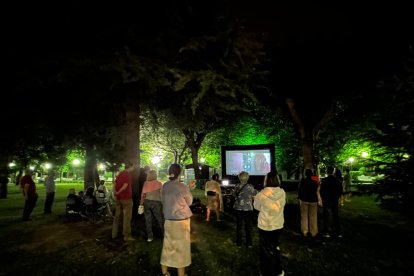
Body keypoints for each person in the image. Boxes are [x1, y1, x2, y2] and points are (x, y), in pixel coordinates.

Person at [160, 164, 195, 276]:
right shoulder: (182, 187)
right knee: (181, 249)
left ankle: (165, 272)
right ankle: (181, 274)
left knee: (167, 246)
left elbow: (165, 199)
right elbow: (189, 202)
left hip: (169, 220)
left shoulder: (165, 186)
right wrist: (188, 189)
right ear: (180, 173)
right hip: (181, 222)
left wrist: (187, 188)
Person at [254, 171, 286, 276]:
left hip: (265, 225)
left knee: (265, 251)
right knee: (276, 247)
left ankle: (266, 272)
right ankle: (279, 270)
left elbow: (256, 207)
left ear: (266, 180)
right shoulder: (282, 193)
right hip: (278, 224)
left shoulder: (261, 194)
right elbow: (282, 205)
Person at [232, 171, 258, 248]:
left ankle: (239, 243)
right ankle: (249, 243)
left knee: (239, 226)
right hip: (248, 209)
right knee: (248, 226)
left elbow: (233, 194)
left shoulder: (236, 186)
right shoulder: (250, 186)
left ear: (239, 178)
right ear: (247, 178)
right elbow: (255, 193)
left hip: (238, 208)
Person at [112, 162, 135, 242]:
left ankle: (114, 234)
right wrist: (118, 192)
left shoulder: (119, 174)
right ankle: (126, 236)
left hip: (118, 199)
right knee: (127, 218)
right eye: (133, 166)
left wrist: (115, 193)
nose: (134, 168)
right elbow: (125, 186)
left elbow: (114, 184)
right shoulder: (127, 174)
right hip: (126, 199)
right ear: (131, 166)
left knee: (117, 217)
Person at [140, 169, 164, 242]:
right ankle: (164, 234)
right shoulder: (159, 183)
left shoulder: (145, 183)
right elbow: (162, 194)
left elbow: (143, 195)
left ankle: (150, 237)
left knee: (148, 220)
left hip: (147, 202)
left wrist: (141, 203)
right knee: (159, 219)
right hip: (156, 203)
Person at [320, 166, 343, 238]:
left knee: (326, 215)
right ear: (333, 172)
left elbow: (322, 190)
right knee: (336, 215)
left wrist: (324, 197)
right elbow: (340, 191)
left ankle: (326, 231)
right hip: (334, 199)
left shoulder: (324, 180)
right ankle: (338, 231)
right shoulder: (337, 181)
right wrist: (337, 197)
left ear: (327, 172)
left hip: (327, 199)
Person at [298, 169, 320, 238]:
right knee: (313, 216)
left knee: (304, 216)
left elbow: (300, 190)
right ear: (311, 174)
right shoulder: (314, 182)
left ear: (305, 174)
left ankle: (305, 231)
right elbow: (316, 190)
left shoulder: (302, 181)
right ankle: (313, 232)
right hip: (313, 200)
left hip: (304, 200)